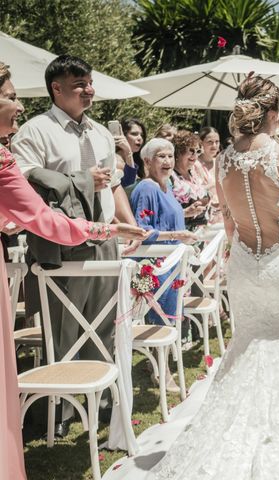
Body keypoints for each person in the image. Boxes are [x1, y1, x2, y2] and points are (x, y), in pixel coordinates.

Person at [148, 75, 279, 479]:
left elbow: (227, 222)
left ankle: (239, 437)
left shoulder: (223, 160)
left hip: (243, 265)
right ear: (274, 113)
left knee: (246, 348)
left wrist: (240, 252)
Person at [0, 61, 146, 480]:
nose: (89, 91)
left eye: (91, 84)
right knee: (61, 327)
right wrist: (81, 178)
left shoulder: (101, 133)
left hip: (103, 239)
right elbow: (27, 184)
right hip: (56, 248)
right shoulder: (33, 132)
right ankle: (59, 409)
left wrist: (127, 224)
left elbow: (115, 183)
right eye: (80, 85)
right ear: (56, 88)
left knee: (102, 322)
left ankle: (98, 400)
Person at [130, 138, 198, 326]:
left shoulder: (165, 186)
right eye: (161, 156)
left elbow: (163, 219)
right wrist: (178, 236)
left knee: (173, 321)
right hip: (158, 266)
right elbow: (142, 230)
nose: (167, 161)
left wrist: (186, 213)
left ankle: (171, 354)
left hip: (172, 264)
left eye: (170, 156)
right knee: (162, 323)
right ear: (147, 161)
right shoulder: (147, 187)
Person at [171, 130, 210, 230]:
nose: (195, 155)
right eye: (191, 151)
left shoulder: (194, 174)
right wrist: (184, 213)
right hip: (181, 233)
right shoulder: (170, 177)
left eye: (198, 151)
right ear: (179, 152)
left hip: (201, 233)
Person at [117, 118, 147, 185]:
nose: (140, 138)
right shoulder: (117, 162)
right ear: (123, 136)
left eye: (142, 135)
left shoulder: (139, 160)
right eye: (134, 134)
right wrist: (128, 152)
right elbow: (129, 183)